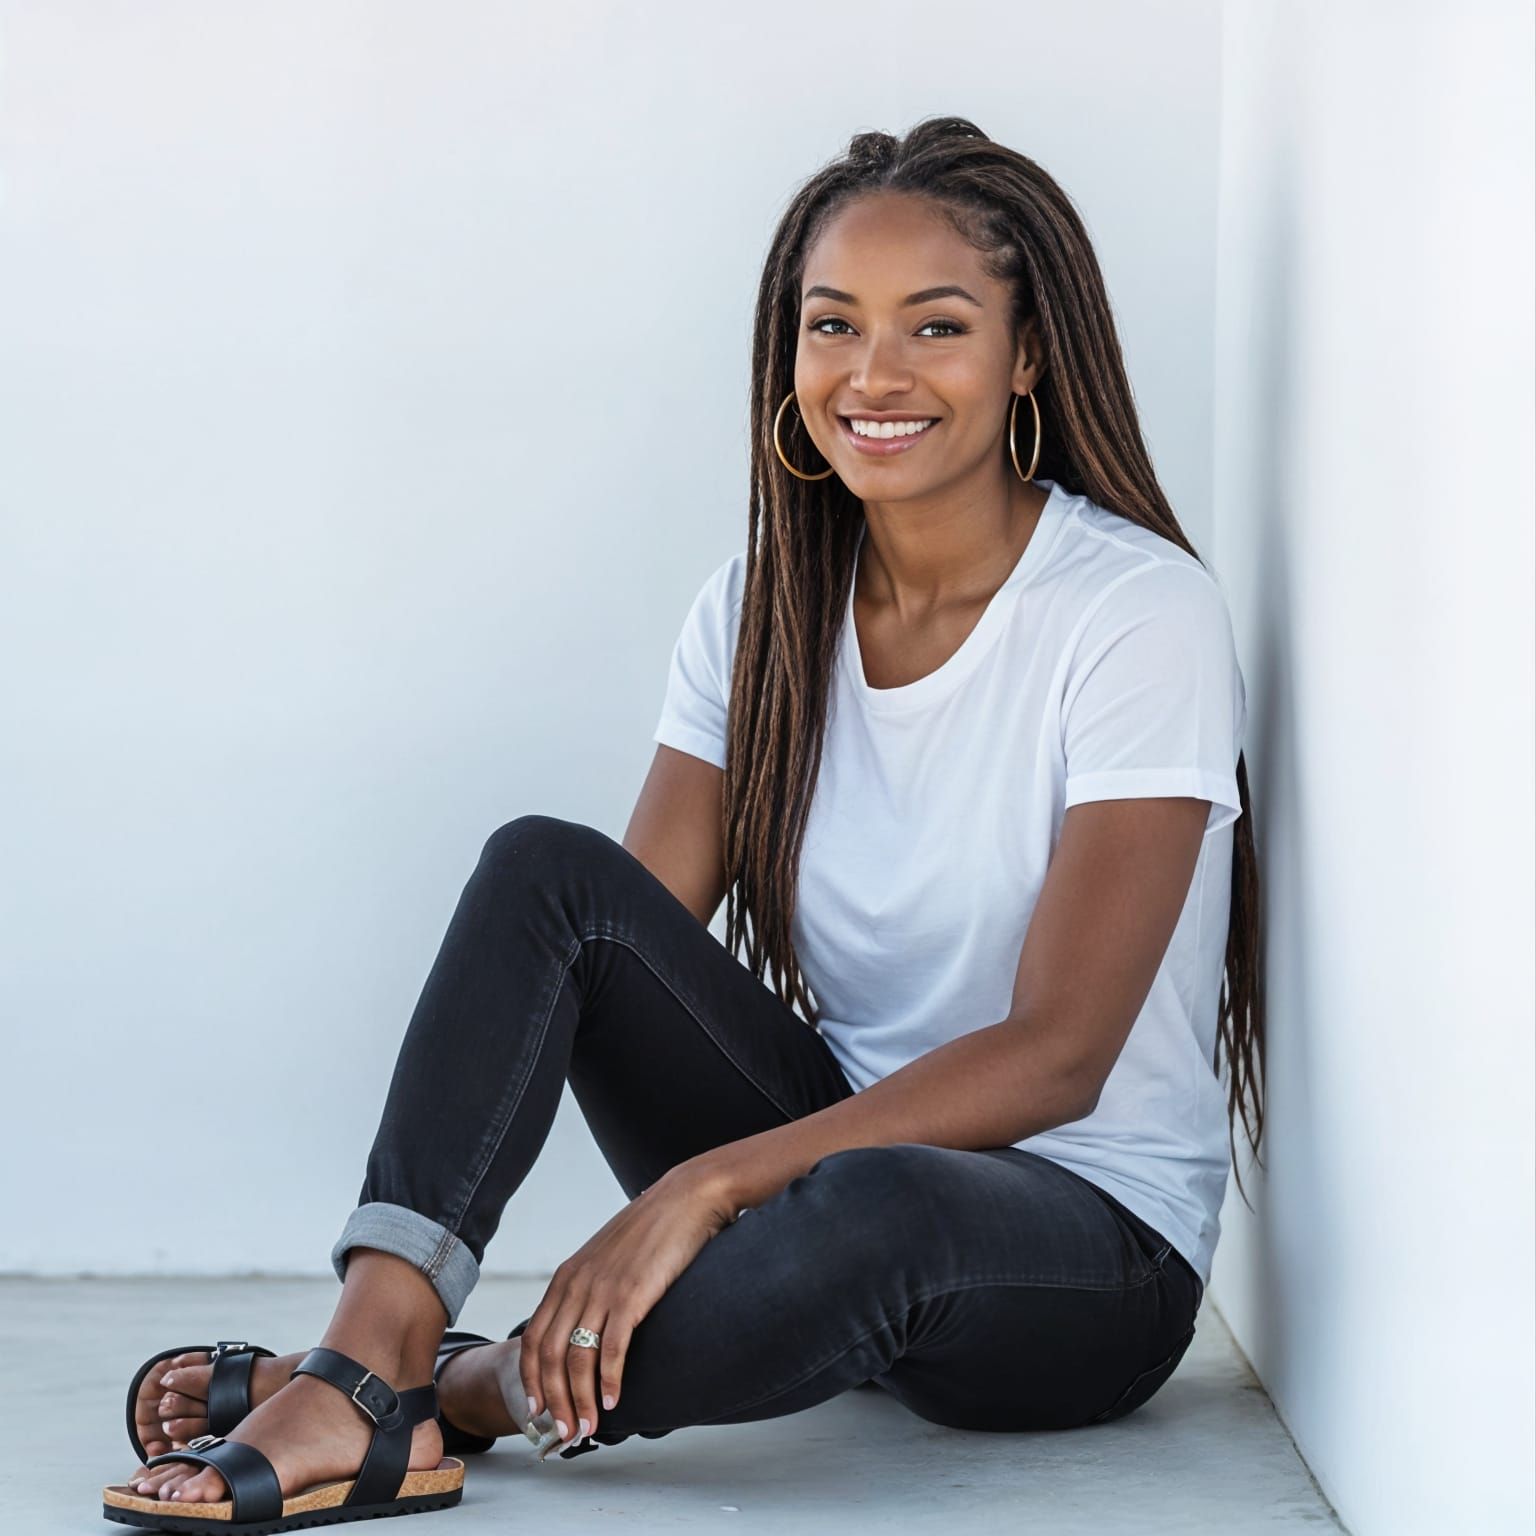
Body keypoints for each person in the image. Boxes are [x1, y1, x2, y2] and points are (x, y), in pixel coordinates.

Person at [105, 114, 1265, 1531]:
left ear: (1028, 358)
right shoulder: (758, 614)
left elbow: (1060, 1055)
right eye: (832, 325)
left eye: (937, 326)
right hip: (832, 1164)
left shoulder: (1135, 614)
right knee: (546, 872)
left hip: (1083, 1250)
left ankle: (458, 1393)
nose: (874, 373)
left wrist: (708, 1189)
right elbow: (612, 951)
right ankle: (367, 1356)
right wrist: (727, 1178)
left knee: (875, 1209)